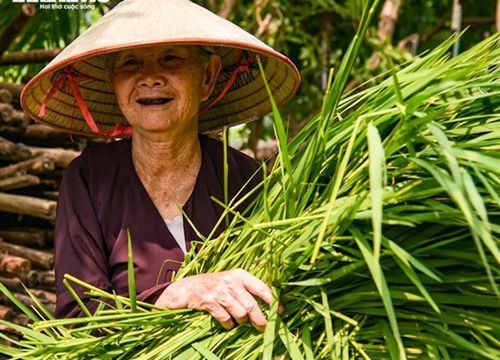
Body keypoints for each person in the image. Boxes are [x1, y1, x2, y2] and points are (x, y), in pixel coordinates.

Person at [21, 0, 300, 331]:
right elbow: (78, 318)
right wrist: (174, 295)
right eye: (130, 62)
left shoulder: (249, 181)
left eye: (171, 58)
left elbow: (278, 298)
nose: (149, 77)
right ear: (113, 82)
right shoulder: (88, 179)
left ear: (208, 77)